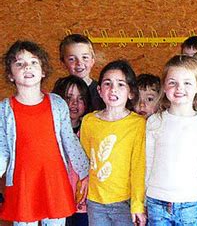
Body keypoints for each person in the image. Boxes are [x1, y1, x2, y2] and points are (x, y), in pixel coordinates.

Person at [0, 40, 89, 225]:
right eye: (19, 63)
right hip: (23, 185)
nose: (27, 67)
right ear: (10, 74)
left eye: (33, 62)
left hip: (54, 182)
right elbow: (3, 150)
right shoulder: (5, 109)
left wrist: (84, 172)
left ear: (43, 71)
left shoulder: (56, 103)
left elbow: (69, 141)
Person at [146, 55, 197, 226]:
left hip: (190, 204)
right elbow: (147, 163)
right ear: (164, 86)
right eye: (172, 82)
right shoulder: (155, 121)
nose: (179, 88)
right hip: (156, 201)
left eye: (187, 83)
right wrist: (141, 200)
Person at [79, 60, 146, 226]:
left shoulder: (138, 124)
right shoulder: (89, 121)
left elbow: (139, 167)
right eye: (107, 83)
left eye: (121, 84)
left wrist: (138, 204)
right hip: (95, 202)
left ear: (131, 93)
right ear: (100, 91)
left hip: (125, 202)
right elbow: (85, 159)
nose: (113, 89)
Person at [52, 75, 93, 226]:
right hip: (56, 199)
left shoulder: (90, 129)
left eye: (80, 98)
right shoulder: (51, 129)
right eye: (68, 97)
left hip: (83, 202)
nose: (74, 103)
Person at [59, 34, 104, 111]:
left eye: (85, 57)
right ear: (63, 63)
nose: (79, 63)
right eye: (72, 59)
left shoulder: (101, 92)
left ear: (92, 60)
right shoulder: (60, 90)